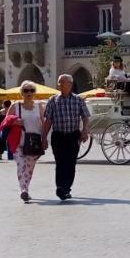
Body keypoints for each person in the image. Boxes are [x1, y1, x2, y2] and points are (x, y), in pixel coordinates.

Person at [42, 73, 90, 202]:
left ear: (70, 84)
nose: (60, 85)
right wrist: (44, 137)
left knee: (70, 163)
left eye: (62, 82)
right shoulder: (53, 100)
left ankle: (66, 188)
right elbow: (48, 120)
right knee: (60, 162)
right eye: (59, 82)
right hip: (58, 136)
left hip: (73, 135)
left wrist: (85, 130)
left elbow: (85, 117)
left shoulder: (78, 100)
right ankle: (60, 187)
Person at [0, 81, 47, 201]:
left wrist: (45, 139)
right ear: (21, 93)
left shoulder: (39, 106)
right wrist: (14, 121)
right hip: (18, 142)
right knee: (21, 165)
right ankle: (23, 190)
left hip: (34, 142)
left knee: (29, 168)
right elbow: (5, 122)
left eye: (31, 90)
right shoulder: (15, 106)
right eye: (26, 90)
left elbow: (44, 123)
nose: (29, 92)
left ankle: (26, 188)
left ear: (35, 92)